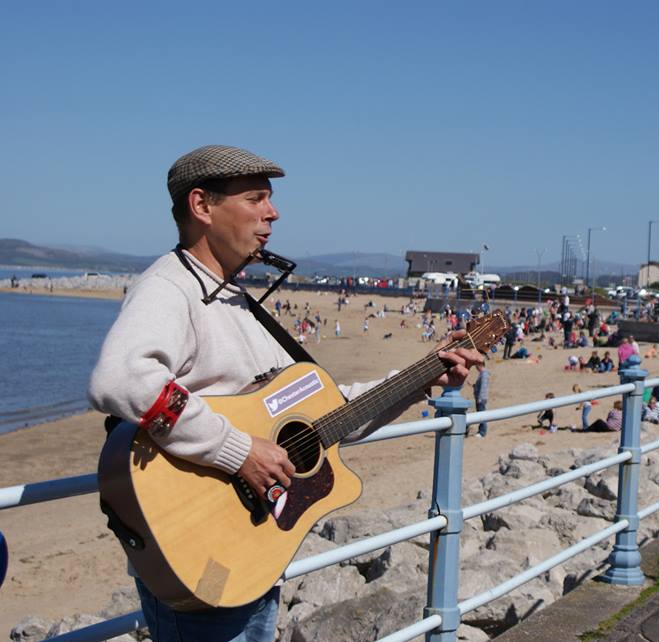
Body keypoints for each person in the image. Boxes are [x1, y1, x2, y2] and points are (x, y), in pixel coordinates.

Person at [88, 145, 484, 642]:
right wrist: (238, 451)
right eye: (256, 198)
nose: (272, 213)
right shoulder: (171, 288)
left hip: (252, 549)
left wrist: (424, 377)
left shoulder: (234, 296)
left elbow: (329, 414)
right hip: (199, 549)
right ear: (201, 207)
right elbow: (119, 380)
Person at [472, 361, 490, 438]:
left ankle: (482, 432)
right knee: (480, 414)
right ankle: (481, 430)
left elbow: (483, 387)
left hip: (481, 398)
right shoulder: (482, 373)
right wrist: (474, 385)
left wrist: (480, 398)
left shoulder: (484, 374)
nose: (476, 367)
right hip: (480, 397)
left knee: (482, 414)